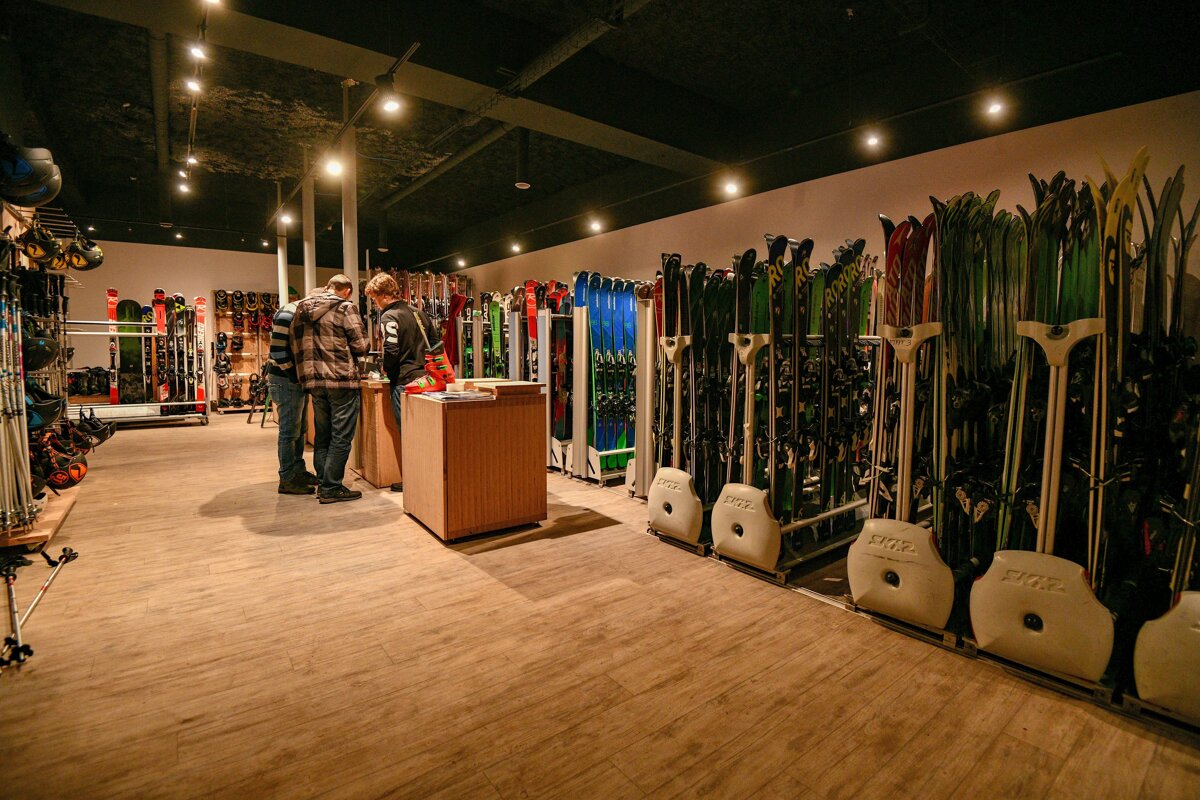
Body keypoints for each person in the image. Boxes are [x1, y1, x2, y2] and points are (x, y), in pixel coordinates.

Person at [290, 274, 369, 504]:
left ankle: (324, 482)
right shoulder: (346, 308)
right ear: (346, 291)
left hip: (313, 382)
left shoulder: (300, 310)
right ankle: (331, 487)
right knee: (341, 436)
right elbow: (362, 345)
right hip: (341, 380)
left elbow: (295, 344)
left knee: (322, 436)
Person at [364, 273, 440, 493]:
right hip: (427, 379)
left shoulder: (389, 317)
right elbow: (436, 344)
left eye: (375, 298)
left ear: (384, 295)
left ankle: (412, 480)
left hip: (404, 381)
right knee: (424, 430)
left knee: (407, 431)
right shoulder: (419, 314)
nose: (375, 304)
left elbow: (391, 349)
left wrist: (386, 368)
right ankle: (428, 475)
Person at [268, 293, 318, 495]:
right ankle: (287, 477)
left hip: (294, 379)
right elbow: (277, 351)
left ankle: (297, 470)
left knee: (300, 428)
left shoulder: (298, 313)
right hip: (285, 379)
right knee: (289, 430)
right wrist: (294, 375)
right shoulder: (288, 313)